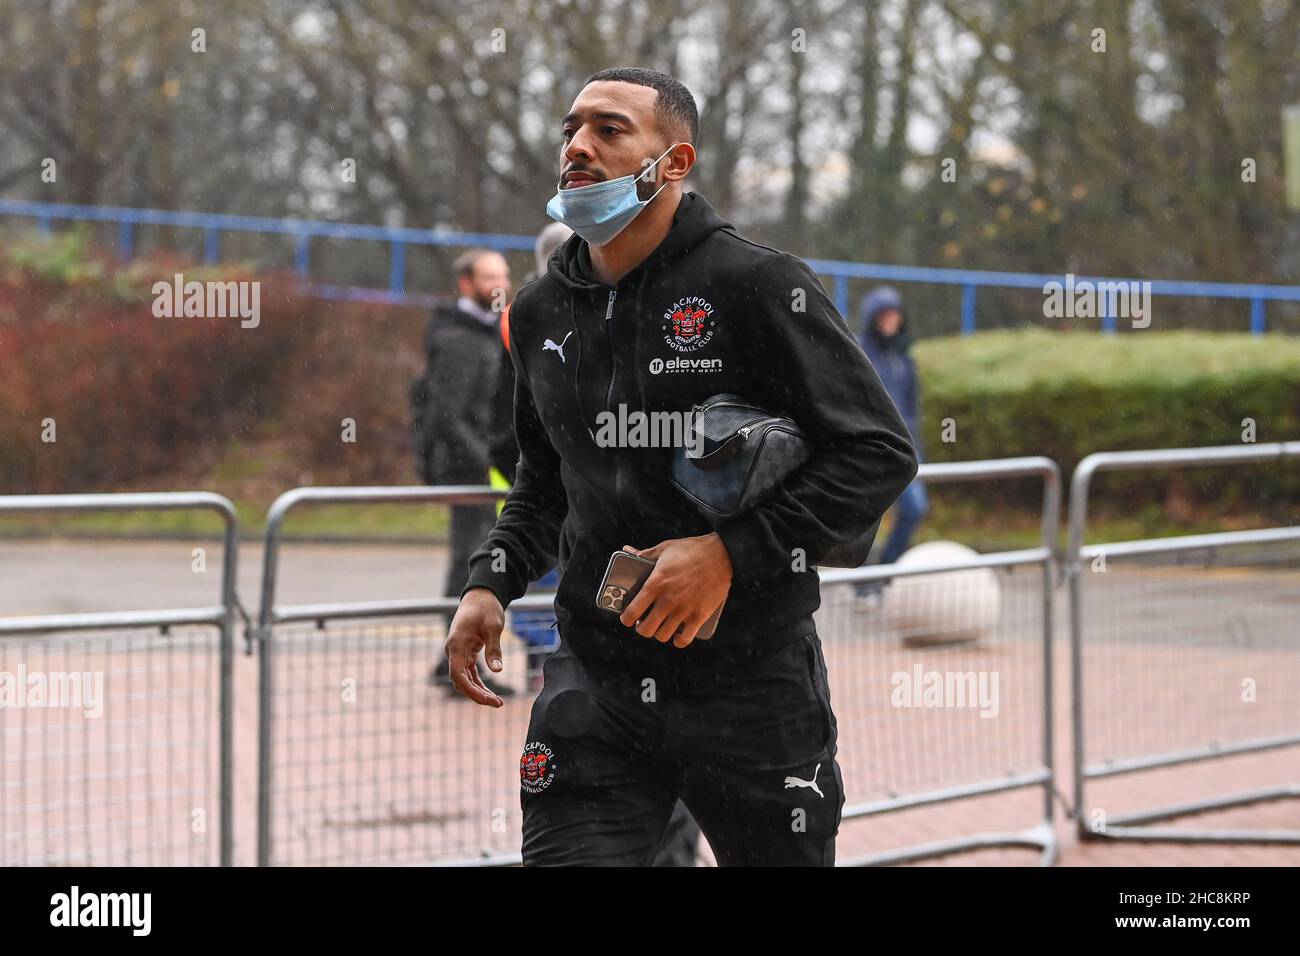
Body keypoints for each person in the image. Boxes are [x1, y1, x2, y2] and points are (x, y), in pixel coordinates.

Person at [444, 67, 917, 866]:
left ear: (676, 162)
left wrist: (729, 555)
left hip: (752, 681)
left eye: (609, 129)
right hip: (596, 680)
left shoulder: (758, 284)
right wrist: (490, 582)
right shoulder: (539, 310)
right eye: (570, 129)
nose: (578, 146)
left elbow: (877, 452)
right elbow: (544, 482)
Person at [423, 247, 516, 699]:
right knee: (470, 562)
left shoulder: (489, 332)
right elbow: (447, 415)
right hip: (470, 472)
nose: (500, 285)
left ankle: (451, 662)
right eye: (489, 277)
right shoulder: (458, 338)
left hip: (486, 469)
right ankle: (456, 664)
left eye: (504, 276)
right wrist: (486, 463)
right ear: (466, 283)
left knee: (476, 558)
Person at [856, 286, 928, 597]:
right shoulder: (859, 352)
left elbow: (912, 408)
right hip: (872, 450)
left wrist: (917, 449)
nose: (891, 320)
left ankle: (886, 571)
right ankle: (864, 584)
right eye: (884, 314)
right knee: (867, 518)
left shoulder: (904, 358)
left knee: (915, 508)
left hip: (905, 450)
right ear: (872, 318)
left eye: (895, 314)